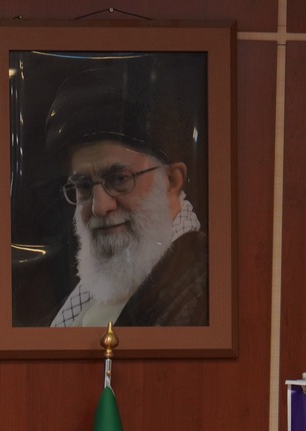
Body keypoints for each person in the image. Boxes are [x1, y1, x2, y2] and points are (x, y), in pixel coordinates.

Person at [29, 58, 208, 329]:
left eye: (120, 179)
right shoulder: (99, 288)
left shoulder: (199, 287)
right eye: (84, 186)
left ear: (171, 181)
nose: (100, 207)